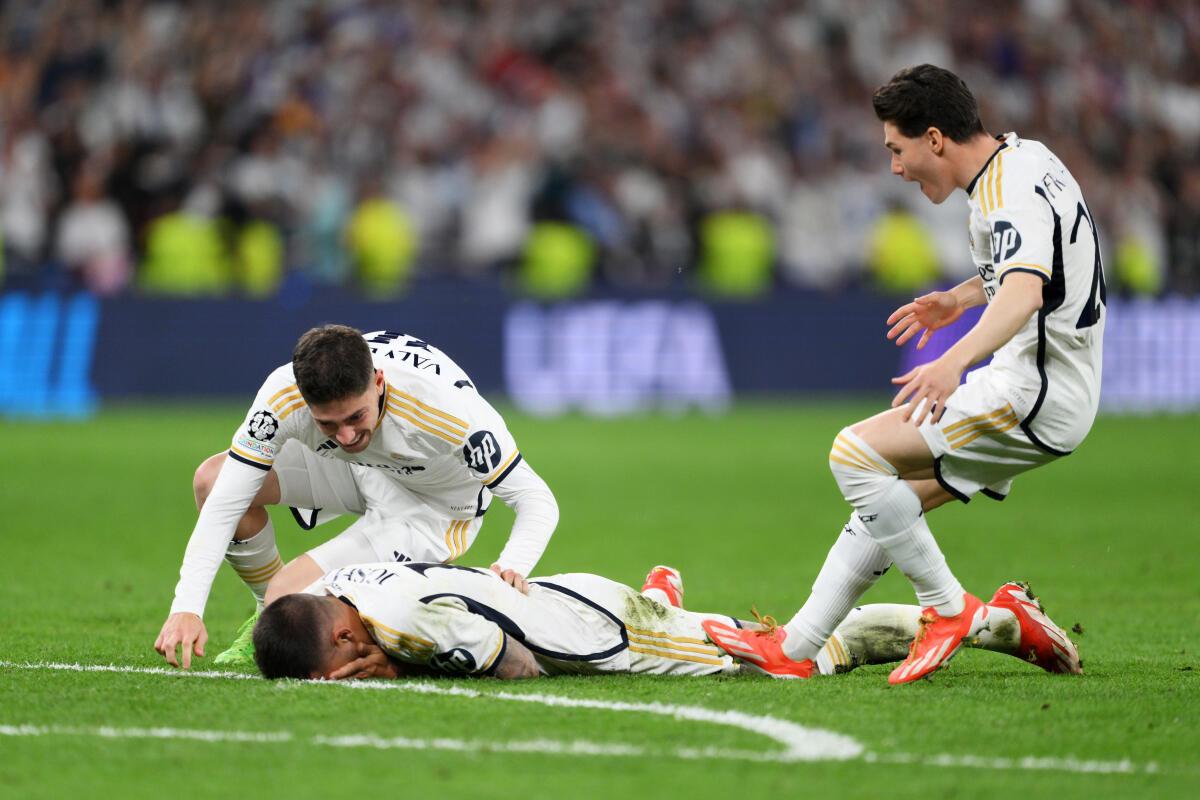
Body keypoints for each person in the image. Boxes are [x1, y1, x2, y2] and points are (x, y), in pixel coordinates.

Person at [703, 64, 1106, 683]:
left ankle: (948, 610)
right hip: (1052, 385)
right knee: (890, 506)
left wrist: (950, 360)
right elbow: (1036, 265)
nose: (895, 166)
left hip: (1035, 391)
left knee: (853, 455)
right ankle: (798, 647)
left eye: (898, 149)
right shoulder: (1027, 159)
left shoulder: (1004, 191)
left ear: (936, 139)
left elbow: (1026, 291)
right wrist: (962, 297)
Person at [155, 325, 560, 668]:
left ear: (379, 382)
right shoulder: (283, 395)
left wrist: (512, 565)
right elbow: (227, 499)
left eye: (356, 417)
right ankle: (268, 615)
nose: (346, 435)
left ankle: (296, 615)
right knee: (211, 480)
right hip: (359, 470)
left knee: (289, 596)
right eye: (327, 423)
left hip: (430, 510)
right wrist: (186, 606)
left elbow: (537, 500)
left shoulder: (449, 412)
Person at [252, 564, 1080, 681]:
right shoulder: (353, 585)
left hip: (602, 630)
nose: (348, 681)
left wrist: (401, 670)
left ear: (343, 640)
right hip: (568, 594)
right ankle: (669, 602)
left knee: (797, 657)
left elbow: (516, 666)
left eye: (337, 676)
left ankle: (997, 620)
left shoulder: (393, 627)